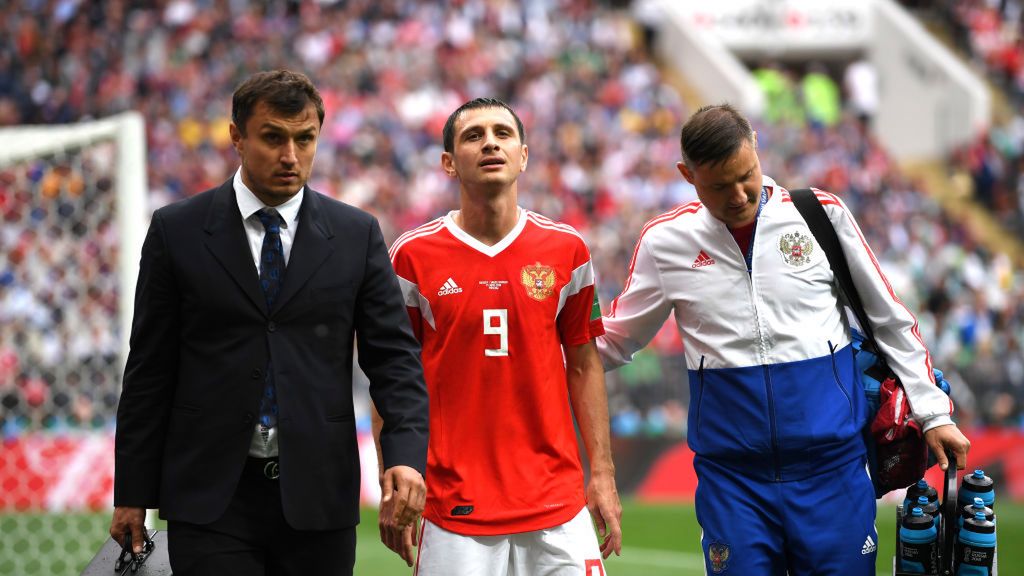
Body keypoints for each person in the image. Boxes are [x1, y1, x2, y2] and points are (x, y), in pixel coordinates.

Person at [597, 103, 971, 575]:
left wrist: (933, 412)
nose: (738, 194)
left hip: (833, 472)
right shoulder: (665, 242)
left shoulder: (820, 215)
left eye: (746, 175)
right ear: (686, 175)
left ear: (756, 145)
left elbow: (892, 322)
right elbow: (613, 341)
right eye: (718, 185)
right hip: (733, 482)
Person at [109, 69, 429, 576]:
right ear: (236, 136)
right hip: (210, 497)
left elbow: (394, 360)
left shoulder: (356, 234)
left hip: (319, 494)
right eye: (273, 137)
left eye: (305, 139)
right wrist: (131, 492)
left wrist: (406, 456)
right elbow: (149, 369)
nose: (290, 156)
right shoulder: (177, 230)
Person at [375, 97, 622, 574]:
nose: (490, 142)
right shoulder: (412, 256)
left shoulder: (567, 249)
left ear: (524, 155)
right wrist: (395, 483)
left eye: (503, 133)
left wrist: (604, 476)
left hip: (557, 502)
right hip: (453, 509)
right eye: (473, 135)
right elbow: (392, 377)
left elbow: (585, 364)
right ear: (448, 163)